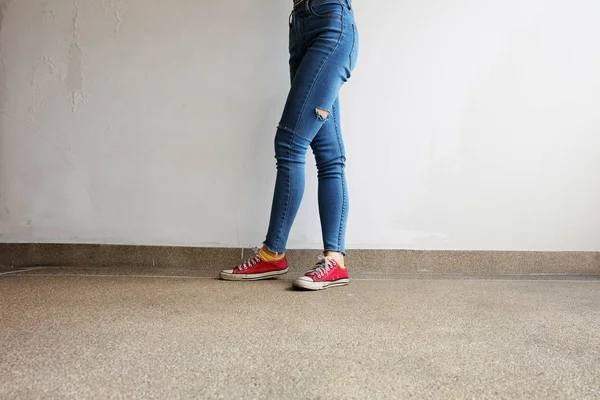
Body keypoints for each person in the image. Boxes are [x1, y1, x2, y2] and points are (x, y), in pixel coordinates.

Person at [220, 0, 359, 290]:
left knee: (289, 143)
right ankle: (333, 262)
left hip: (331, 22)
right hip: (300, 25)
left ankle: (276, 253)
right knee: (328, 153)